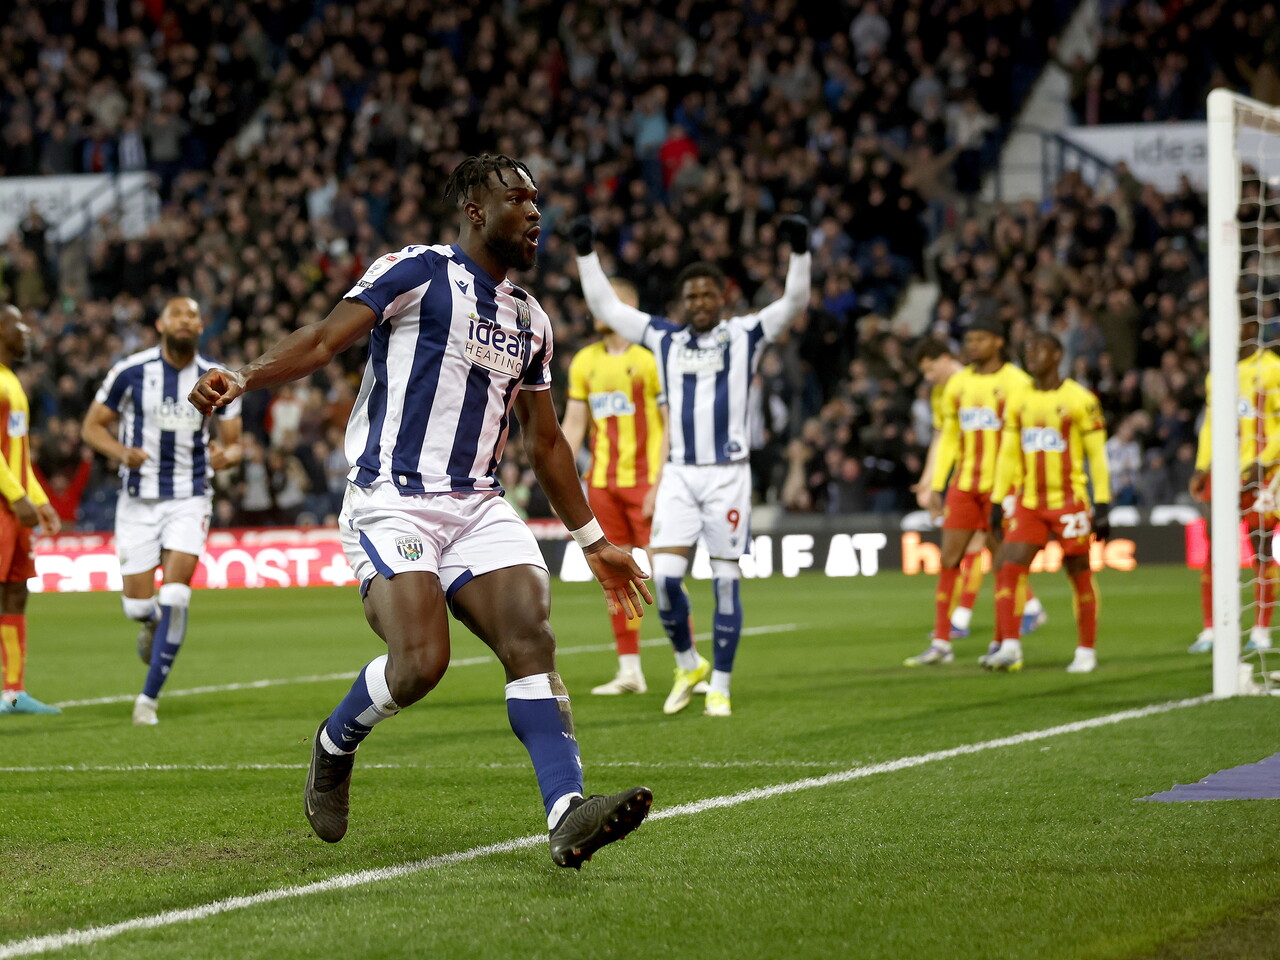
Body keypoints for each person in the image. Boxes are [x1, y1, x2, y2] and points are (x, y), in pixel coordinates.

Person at [188, 155, 654, 869]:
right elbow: (323, 339)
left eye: (537, 200)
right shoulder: (416, 271)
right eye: (518, 199)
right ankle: (334, 743)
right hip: (393, 500)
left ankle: (566, 812)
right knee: (420, 664)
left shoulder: (531, 319)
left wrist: (594, 542)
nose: (535, 212)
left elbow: (546, 440)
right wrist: (244, 377)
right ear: (476, 210)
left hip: (478, 505)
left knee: (532, 639)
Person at [572, 213, 812, 717]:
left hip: (727, 475)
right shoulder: (663, 338)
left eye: (708, 295)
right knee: (664, 580)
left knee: (725, 579)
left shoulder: (745, 334)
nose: (700, 302)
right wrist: (586, 253)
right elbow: (605, 306)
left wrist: (800, 251)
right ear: (683, 302)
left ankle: (720, 683)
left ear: (722, 298)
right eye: (692, 296)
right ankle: (688, 664)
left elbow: (794, 302)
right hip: (680, 474)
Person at [82, 296, 244, 726]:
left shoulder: (217, 377)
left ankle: (147, 700)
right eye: (177, 314)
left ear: (201, 325)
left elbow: (235, 444)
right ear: (160, 324)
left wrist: (227, 455)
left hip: (190, 497)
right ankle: (150, 621)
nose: (185, 320)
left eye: (192, 314)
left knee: (175, 594)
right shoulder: (131, 371)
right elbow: (92, 426)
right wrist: (121, 452)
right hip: (138, 500)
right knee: (137, 607)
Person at [904, 318, 1044, 667]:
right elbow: (949, 438)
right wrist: (937, 484)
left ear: (998, 341)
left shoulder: (1018, 383)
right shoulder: (957, 386)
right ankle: (941, 643)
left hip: (1004, 488)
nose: (974, 346)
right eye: (969, 340)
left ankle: (1002, 641)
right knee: (949, 560)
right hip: (964, 486)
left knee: (1003, 564)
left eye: (981, 339)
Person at [561, 277, 667, 695]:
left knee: (667, 576)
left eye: (611, 301)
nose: (599, 309)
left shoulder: (649, 360)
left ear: (629, 308)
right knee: (616, 578)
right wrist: (558, 477)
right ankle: (629, 671)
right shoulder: (584, 361)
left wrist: (661, 481)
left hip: (646, 482)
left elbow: (668, 425)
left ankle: (687, 661)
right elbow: (574, 424)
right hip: (602, 484)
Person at [988, 331, 1111, 673]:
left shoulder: (1080, 399)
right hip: (1029, 503)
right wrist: (998, 499)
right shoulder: (1017, 399)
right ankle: (1010, 647)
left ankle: (1086, 651)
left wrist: (1103, 503)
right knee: (1009, 566)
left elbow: (1097, 456)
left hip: (1068, 502)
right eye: (1028, 351)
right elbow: (1008, 454)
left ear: (1057, 355)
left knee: (1079, 573)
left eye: (1039, 350)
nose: (1032, 356)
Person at [1187, 317, 1280, 654]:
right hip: (1223, 473)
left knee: (1261, 549)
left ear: (1250, 328)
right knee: (1214, 549)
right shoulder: (1218, 374)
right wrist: (1202, 466)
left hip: (1261, 475)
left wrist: (1263, 461)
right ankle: (1211, 629)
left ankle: (1261, 629)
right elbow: (1211, 425)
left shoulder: (1273, 369)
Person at [0, 304, 62, 716]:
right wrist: (15, 496)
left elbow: (18, 455)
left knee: (15, 593)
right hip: (3, 504)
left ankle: (13, 693)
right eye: (17, 323)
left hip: (14, 510)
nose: (26, 330)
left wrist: (38, 501)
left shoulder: (13, 382)